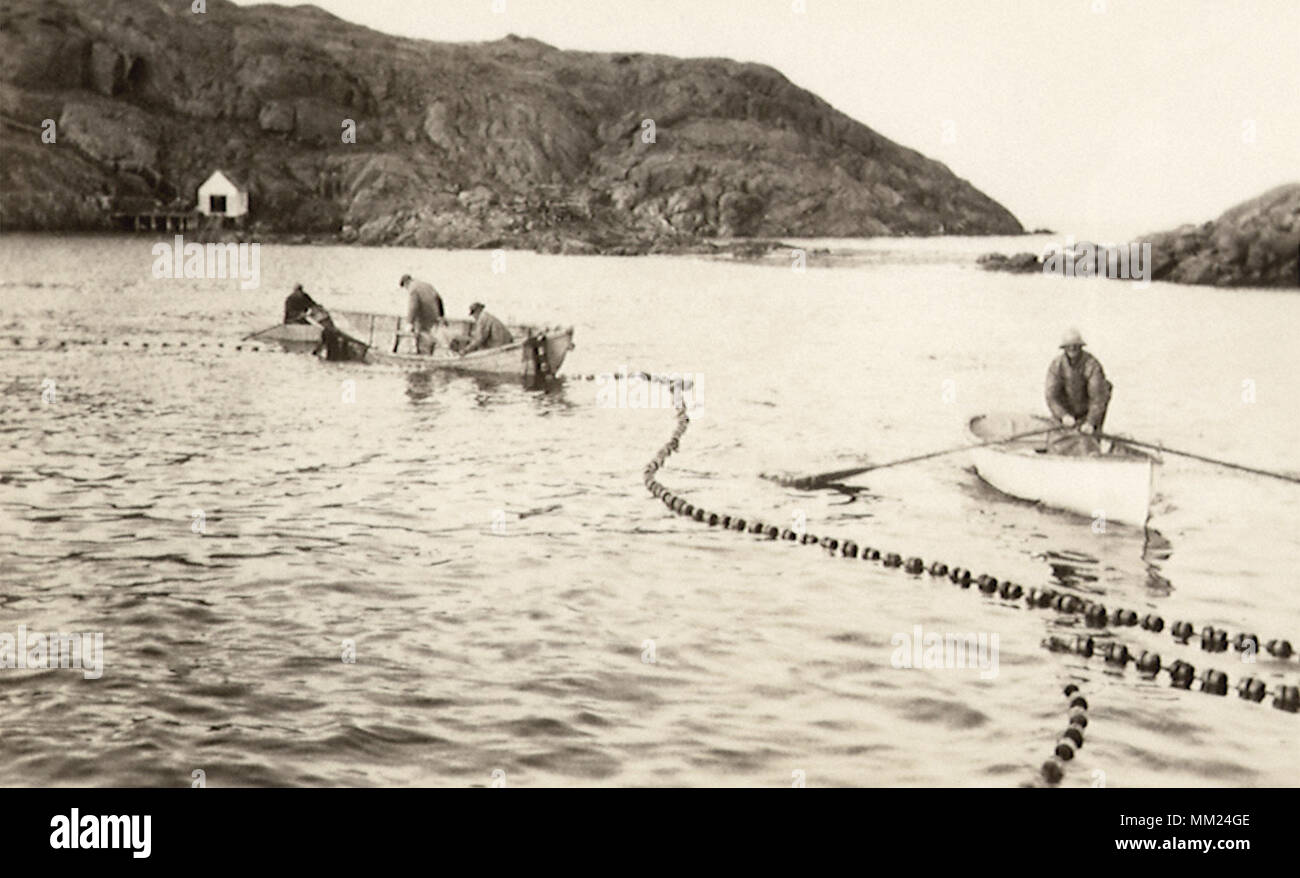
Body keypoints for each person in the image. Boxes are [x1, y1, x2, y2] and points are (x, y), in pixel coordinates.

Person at [1045, 328, 1112, 448]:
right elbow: (1051, 396)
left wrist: (1090, 422)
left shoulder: (1092, 365)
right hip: (1065, 414)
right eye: (1069, 347)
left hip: (1088, 414)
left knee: (1089, 445)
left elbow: (1098, 398)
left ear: (1081, 347)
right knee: (1058, 444)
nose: (1072, 350)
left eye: (1075, 346)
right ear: (1064, 348)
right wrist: (1063, 415)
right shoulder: (1056, 365)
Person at [400, 274, 445, 354]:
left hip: (424, 316)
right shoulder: (427, 285)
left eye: (405, 287)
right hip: (435, 314)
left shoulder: (413, 288)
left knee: (422, 337)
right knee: (430, 336)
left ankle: (423, 355)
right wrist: (441, 316)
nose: (406, 289)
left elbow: (413, 306)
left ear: (406, 283)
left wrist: (409, 323)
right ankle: (430, 354)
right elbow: (439, 299)